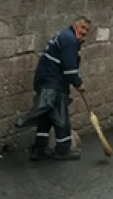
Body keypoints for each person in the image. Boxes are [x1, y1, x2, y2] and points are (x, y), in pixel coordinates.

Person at [15, 17, 91, 161]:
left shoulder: (65, 36)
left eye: (87, 30)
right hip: (53, 83)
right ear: (75, 25)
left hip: (45, 80)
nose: (84, 32)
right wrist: (78, 84)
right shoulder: (70, 40)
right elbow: (70, 69)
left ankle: (39, 149)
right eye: (82, 27)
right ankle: (63, 150)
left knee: (47, 116)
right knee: (61, 118)